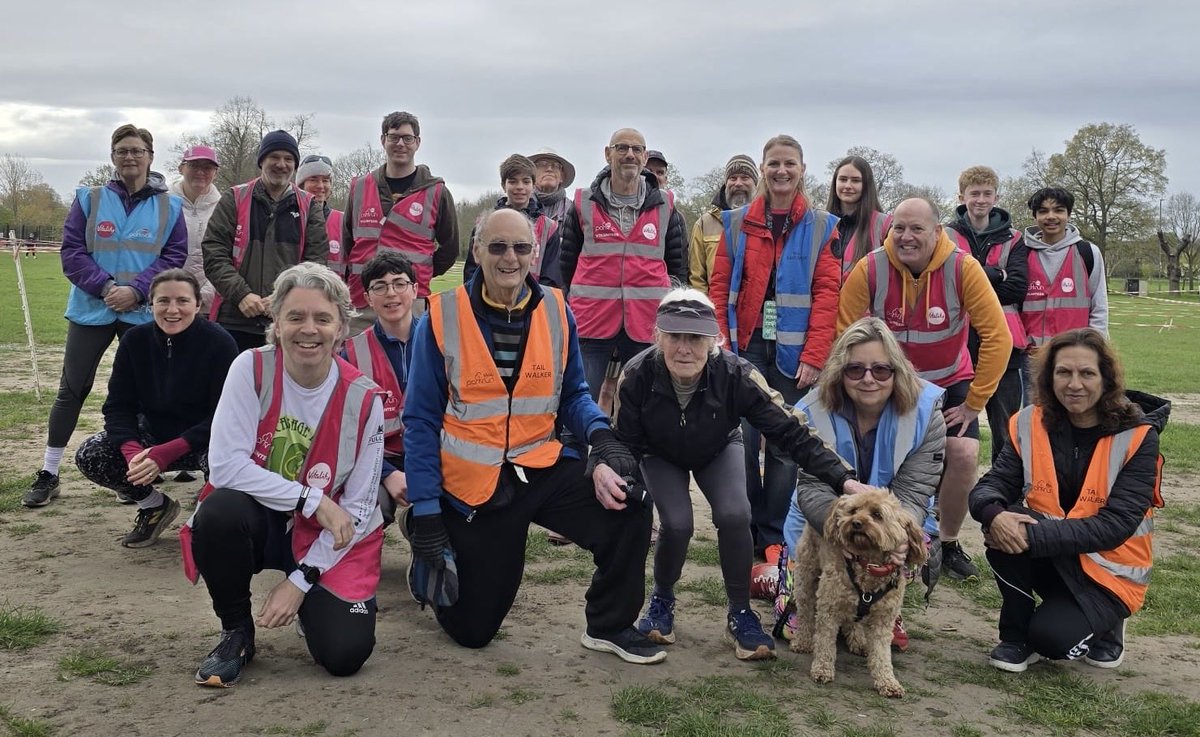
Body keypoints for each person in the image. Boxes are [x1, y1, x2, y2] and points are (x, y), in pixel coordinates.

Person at [404, 208, 666, 665]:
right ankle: (431, 535)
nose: (510, 257)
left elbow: (574, 394)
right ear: (477, 250)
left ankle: (609, 625)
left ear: (535, 253)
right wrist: (425, 511)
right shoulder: (441, 318)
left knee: (631, 504)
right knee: (473, 632)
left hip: (540, 466)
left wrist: (601, 437)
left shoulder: (556, 309)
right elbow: (421, 421)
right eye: (498, 246)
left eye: (521, 247)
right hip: (473, 487)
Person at [616, 289, 863, 661]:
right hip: (658, 452)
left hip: (718, 445)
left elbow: (790, 429)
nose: (684, 348)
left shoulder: (736, 374)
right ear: (658, 337)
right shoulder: (636, 374)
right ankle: (662, 600)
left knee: (735, 514)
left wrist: (842, 478)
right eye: (675, 337)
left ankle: (740, 612)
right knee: (677, 522)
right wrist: (626, 496)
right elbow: (625, 445)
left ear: (714, 340)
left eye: (696, 338)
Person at [185, 262, 385, 686]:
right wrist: (312, 500)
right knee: (219, 512)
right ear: (275, 323)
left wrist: (302, 579)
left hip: (325, 536)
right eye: (295, 317)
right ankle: (236, 630)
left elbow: (360, 510)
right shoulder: (250, 368)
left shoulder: (365, 400)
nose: (308, 329)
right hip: (261, 519)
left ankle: (312, 607)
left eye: (322, 318)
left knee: (344, 655)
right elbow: (224, 466)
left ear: (342, 329)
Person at [969, 328, 1168, 672]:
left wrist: (1028, 534)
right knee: (1003, 522)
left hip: (1108, 572)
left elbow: (1115, 526)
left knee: (1053, 641)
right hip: (1055, 554)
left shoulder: (1139, 437)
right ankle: (1015, 638)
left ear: (1106, 379)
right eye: (1064, 372)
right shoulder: (1029, 422)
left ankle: (1108, 623)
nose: (1074, 384)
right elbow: (993, 484)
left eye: (1087, 373)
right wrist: (993, 514)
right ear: (1049, 378)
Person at [838, 198, 1011, 581]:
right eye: (898, 228)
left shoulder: (963, 268)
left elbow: (998, 337)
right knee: (878, 454)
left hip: (949, 379)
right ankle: (874, 537)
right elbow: (845, 333)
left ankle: (945, 544)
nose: (906, 236)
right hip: (890, 381)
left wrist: (973, 403)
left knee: (964, 452)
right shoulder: (870, 267)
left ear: (938, 232)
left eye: (917, 229)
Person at [23, 123, 188, 508]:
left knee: (145, 395)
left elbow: (173, 256)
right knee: (72, 390)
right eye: (122, 151)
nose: (129, 157)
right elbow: (72, 252)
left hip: (142, 313)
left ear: (150, 155)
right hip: (90, 310)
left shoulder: (170, 205)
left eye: (137, 150)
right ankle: (49, 473)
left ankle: (132, 471)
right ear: (112, 157)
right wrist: (105, 288)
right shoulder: (89, 198)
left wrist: (136, 290)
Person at [708, 134, 841, 562]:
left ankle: (773, 534)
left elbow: (827, 293)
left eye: (789, 164)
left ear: (802, 169)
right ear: (763, 169)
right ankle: (743, 527)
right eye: (773, 164)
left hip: (794, 352)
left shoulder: (823, 225)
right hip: (745, 347)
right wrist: (721, 340)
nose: (781, 171)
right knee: (742, 441)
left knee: (785, 447)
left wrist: (816, 354)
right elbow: (718, 285)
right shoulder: (735, 221)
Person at [780, 317, 946, 649]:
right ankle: (788, 581)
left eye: (881, 370)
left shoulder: (927, 415)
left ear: (897, 372)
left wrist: (897, 539)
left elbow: (915, 491)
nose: (868, 379)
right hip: (824, 524)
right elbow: (811, 487)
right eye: (855, 370)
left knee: (907, 545)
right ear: (839, 373)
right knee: (805, 604)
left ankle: (881, 603)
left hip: (892, 522)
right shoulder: (812, 411)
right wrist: (844, 528)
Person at [73, 269, 237, 545]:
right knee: (91, 454)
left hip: (204, 441)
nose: (172, 310)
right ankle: (154, 506)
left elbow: (227, 415)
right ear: (151, 303)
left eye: (182, 301)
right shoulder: (134, 341)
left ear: (198, 304)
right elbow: (117, 406)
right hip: (152, 437)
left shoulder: (220, 342)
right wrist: (132, 451)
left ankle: (208, 520)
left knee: (230, 461)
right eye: (163, 301)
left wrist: (168, 452)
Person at [560, 127, 688, 402]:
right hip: (590, 323)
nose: (629, 154)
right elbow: (566, 264)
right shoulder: (583, 203)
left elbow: (677, 267)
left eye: (637, 149)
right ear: (608, 155)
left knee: (649, 404)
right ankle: (576, 446)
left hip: (647, 323)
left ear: (644, 158)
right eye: (622, 148)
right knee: (578, 400)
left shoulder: (666, 205)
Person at [202, 129, 330, 353]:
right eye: (274, 157)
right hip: (234, 318)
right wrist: (241, 294)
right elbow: (214, 253)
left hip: (286, 321)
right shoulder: (234, 198)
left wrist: (284, 296)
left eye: (288, 159)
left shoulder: (309, 206)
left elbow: (315, 263)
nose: (281, 164)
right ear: (262, 161)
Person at [342, 111, 459, 325]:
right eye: (394, 137)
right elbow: (347, 242)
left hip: (411, 301)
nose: (400, 144)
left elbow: (450, 249)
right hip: (362, 300)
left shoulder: (437, 192)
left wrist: (419, 273)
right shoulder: (359, 188)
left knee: (410, 357)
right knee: (357, 357)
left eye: (407, 138)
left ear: (417, 143)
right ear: (383, 140)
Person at [945, 166, 1030, 460]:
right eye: (974, 193)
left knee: (1007, 428)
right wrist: (997, 275)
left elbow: (1018, 288)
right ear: (961, 196)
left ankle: (1003, 493)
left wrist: (973, 281)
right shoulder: (946, 235)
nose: (980, 200)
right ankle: (950, 495)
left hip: (1006, 344)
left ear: (997, 197)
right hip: (958, 343)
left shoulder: (1014, 238)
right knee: (953, 426)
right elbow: (946, 286)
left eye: (987, 194)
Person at [341, 251, 421, 524]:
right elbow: (345, 431)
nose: (391, 293)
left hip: (432, 455)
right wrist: (386, 473)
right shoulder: (349, 354)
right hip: (376, 458)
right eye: (380, 286)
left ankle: (420, 533)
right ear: (367, 298)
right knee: (370, 505)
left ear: (415, 289)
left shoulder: (443, 343)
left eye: (399, 283)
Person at [1021, 187, 1109, 348]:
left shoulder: (1088, 253)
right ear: (1035, 216)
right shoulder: (1021, 254)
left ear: (1068, 215)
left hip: (1073, 354)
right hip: (1030, 356)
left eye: (1058, 210)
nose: (1051, 217)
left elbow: (1099, 307)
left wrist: (1096, 349)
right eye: (1043, 211)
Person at [462, 154, 563, 287]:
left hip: (533, 303)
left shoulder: (549, 228)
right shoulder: (484, 224)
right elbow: (472, 271)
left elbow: (551, 278)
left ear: (533, 185)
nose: (520, 187)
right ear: (504, 185)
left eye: (526, 181)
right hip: (490, 301)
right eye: (513, 181)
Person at [688, 154, 758, 294]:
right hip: (715, 309)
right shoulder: (704, 223)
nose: (738, 183)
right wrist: (706, 309)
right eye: (733, 178)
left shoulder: (767, 220)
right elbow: (696, 279)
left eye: (745, 178)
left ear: (756, 183)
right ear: (726, 183)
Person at [170, 145, 222, 314]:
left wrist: (204, 296)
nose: (200, 172)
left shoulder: (225, 208)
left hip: (207, 303)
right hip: (167, 298)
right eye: (194, 166)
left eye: (207, 167)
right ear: (181, 168)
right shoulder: (163, 203)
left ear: (216, 173)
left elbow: (227, 257)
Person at [826, 155, 892, 280]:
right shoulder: (822, 224)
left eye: (855, 180)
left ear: (866, 185)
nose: (848, 185)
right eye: (843, 179)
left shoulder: (884, 225)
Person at [296, 154, 346, 278]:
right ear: (301, 185)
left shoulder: (342, 220)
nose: (320, 186)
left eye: (325, 180)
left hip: (333, 294)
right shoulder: (291, 217)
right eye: (313, 179)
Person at [529, 147, 576, 227]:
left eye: (556, 166)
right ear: (532, 174)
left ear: (562, 177)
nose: (549, 169)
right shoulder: (520, 203)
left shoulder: (574, 210)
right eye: (542, 164)